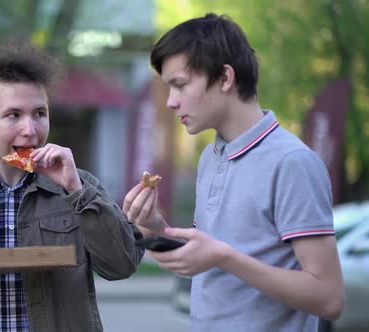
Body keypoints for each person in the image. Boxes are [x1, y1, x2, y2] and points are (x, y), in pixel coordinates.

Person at [123, 13, 345, 331]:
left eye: (180, 85)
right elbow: (209, 263)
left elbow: (329, 298)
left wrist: (224, 257)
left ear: (225, 78)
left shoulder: (293, 162)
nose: (171, 102)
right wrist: (158, 228)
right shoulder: (210, 157)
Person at [0, 42, 144, 332]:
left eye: (39, 114)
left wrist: (76, 190)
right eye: (13, 115)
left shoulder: (80, 187)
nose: (30, 130)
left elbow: (121, 265)